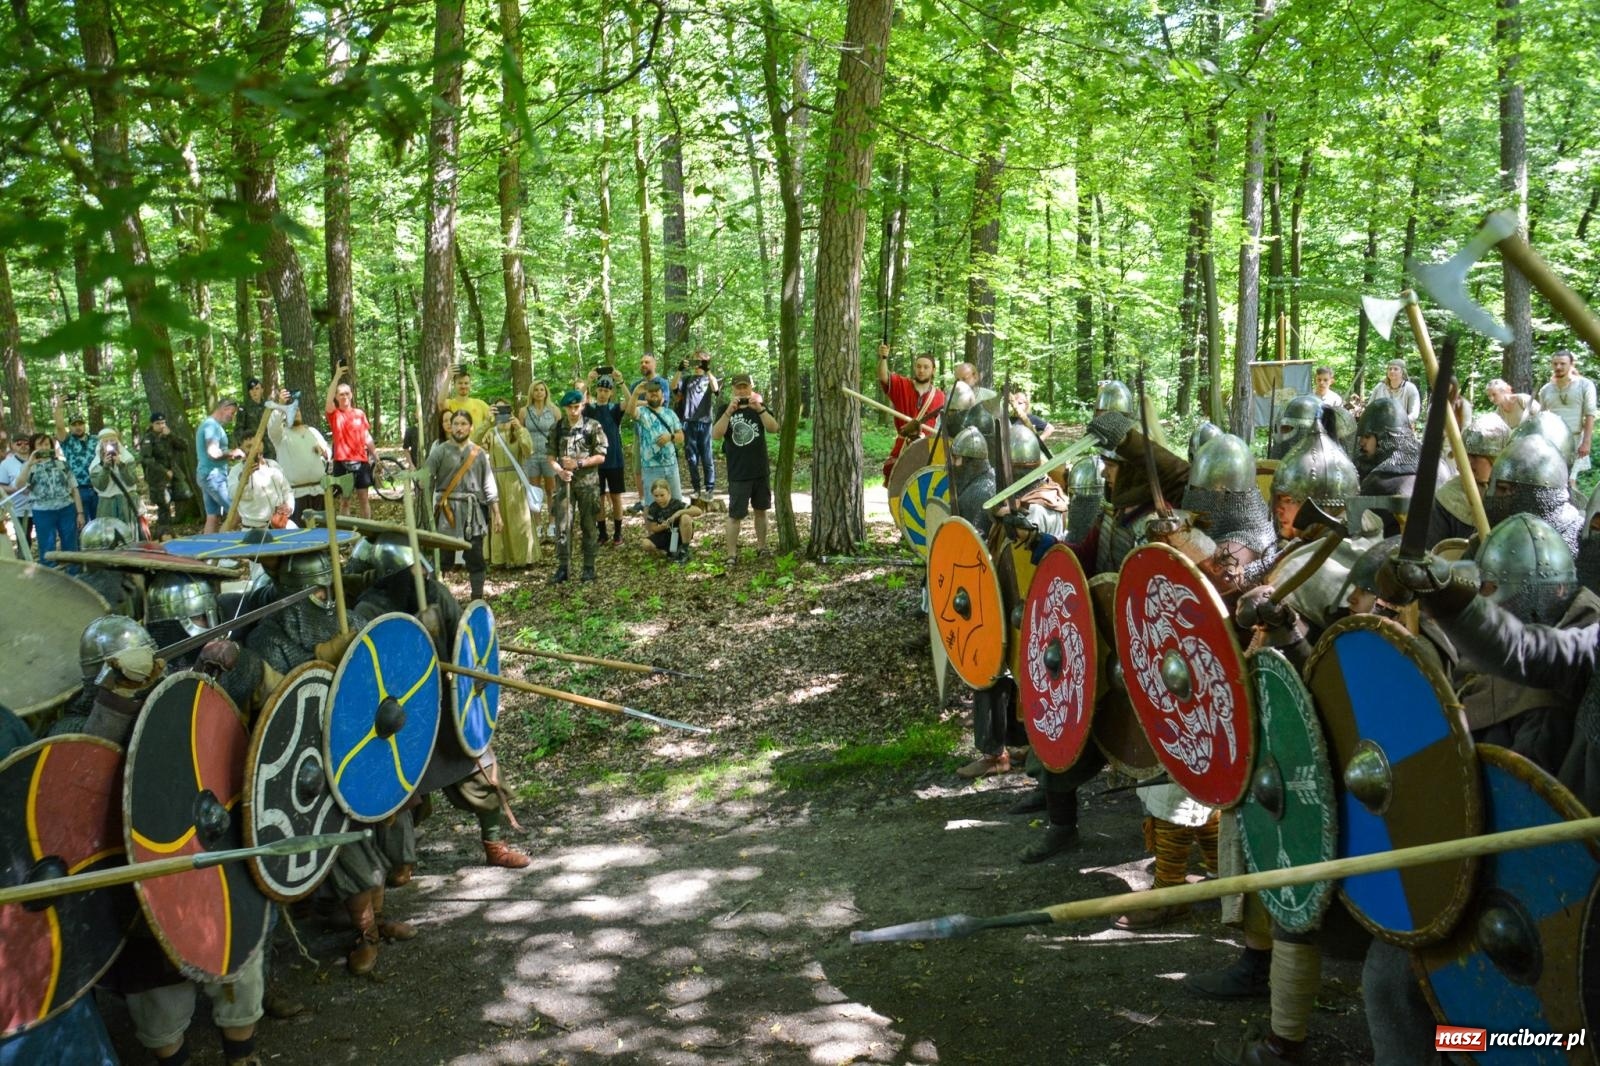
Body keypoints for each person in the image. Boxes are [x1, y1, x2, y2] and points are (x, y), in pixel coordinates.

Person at [426, 410, 502, 600]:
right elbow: (425, 476)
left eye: (463, 424)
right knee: (443, 558)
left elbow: (489, 485)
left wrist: (497, 514)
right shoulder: (440, 451)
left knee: (475, 557)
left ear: (471, 427)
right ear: (450, 426)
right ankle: (438, 599)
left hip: (473, 513)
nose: (459, 428)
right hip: (447, 512)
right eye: (456, 424)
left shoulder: (479, 453)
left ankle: (477, 599)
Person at [713, 373, 778, 563]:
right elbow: (716, 435)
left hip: (759, 470)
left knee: (761, 510)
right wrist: (728, 413)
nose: (742, 390)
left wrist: (760, 410)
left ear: (751, 387)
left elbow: (774, 428)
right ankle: (731, 555)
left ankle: (762, 547)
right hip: (738, 472)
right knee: (735, 515)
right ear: (733, 389)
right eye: (738, 387)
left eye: (745, 387)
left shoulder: (759, 407)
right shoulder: (725, 409)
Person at [547, 388, 608, 584]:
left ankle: (589, 567)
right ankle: (563, 567)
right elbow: (550, 457)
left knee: (589, 525)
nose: (574, 411)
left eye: (577, 407)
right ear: (565, 408)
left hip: (588, 484)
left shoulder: (593, 426)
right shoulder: (557, 428)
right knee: (563, 525)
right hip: (565, 484)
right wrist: (560, 470)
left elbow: (601, 456)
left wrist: (579, 463)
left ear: (582, 406)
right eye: (570, 408)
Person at [476, 399, 538, 568]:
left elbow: (528, 451)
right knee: (499, 518)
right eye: (498, 410)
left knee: (519, 519)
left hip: (515, 479)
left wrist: (519, 429)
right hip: (495, 479)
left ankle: (525, 557)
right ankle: (501, 558)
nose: (502, 414)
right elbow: (474, 442)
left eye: (505, 410)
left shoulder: (518, 430)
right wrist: (487, 421)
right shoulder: (491, 432)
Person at [13, 433, 84, 566]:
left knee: (70, 542)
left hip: (66, 509)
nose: (44, 448)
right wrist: (29, 464)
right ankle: (50, 575)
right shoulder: (28, 467)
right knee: (46, 544)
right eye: (40, 445)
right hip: (42, 511)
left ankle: (73, 572)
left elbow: (74, 489)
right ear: (33, 447)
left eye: (47, 444)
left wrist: (80, 513)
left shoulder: (62, 464)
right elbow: (19, 486)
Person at [876, 342, 944, 480]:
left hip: (925, 450)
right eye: (919, 366)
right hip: (903, 448)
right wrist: (883, 358)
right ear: (915, 368)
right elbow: (883, 376)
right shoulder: (902, 385)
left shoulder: (940, 397)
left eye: (926, 367)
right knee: (898, 493)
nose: (921, 370)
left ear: (933, 370)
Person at [1535, 348, 1597, 486]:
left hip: (1575, 439)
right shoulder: (1546, 390)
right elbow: (1542, 417)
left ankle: (1574, 507)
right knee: (1551, 480)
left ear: (1571, 364)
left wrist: (1586, 442)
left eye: (1562, 363)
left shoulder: (1585, 385)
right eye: (1555, 364)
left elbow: (1590, 414)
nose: (1558, 367)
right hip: (1551, 441)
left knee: (1569, 480)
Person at [268, 388, 331, 522]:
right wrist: (280, 405)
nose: (295, 412)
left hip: (319, 492)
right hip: (296, 495)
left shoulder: (312, 431)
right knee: (300, 535)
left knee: (322, 533)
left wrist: (325, 451)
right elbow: (273, 426)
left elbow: (328, 452)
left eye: (297, 410)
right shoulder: (281, 435)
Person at [623, 354, 672, 513]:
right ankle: (643, 500)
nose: (643, 364)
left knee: (662, 466)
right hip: (640, 434)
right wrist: (642, 401)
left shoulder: (662, 382)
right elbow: (629, 405)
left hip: (659, 433)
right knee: (638, 469)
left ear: (654, 364)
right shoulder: (637, 384)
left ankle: (665, 499)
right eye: (641, 362)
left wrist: (638, 402)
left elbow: (662, 403)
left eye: (647, 362)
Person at [324, 364, 374, 518]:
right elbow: (328, 399)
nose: (344, 397)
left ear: (351, 395)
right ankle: (344, 536)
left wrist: (375, 453)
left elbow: (366, 435)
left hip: (361, 461)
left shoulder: (359, 413)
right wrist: (337, 375)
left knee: (364, 499)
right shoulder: (334, 414)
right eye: (341, 394)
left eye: (347, 394)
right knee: (345, 501)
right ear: (337, 397)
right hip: (342, 462)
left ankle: (369, 533)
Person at [584, 376, 628, 546]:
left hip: (614, 460)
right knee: (599, 498)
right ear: (596, 390)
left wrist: (621, 382)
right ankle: (602, 533)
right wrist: (589, 380)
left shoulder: (614, 409)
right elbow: (576, 401)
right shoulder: (590, 410)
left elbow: (630, 401)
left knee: (616, 497)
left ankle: (618, 532)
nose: (602, 394)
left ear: (611, 392)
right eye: (600, 390)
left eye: (606, 390)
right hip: (595, 461)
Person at [631, 378, 685, 506]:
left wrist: (670, 437)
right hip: (650, 468)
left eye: (657, 391)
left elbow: (681, 437)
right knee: (651, 505)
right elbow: (630, 412)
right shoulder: (642, 412)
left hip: (671, 466)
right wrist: (636, 393)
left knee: (676, 502)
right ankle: (653, 527)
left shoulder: (670, 413)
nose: (654, 393)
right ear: (646, 395)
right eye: (651, 392)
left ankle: (675, 526)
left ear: (662, 395)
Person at [675, 351, 720, 500]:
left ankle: (709, 489)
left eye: (702, 361)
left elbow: (716, 389)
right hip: (689, 422)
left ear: (708, 362)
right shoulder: (687, 379)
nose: (698, 363)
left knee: (707, 458)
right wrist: (679, 370)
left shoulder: (710, 379)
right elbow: (673, 386)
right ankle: (696, 488)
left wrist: (708, 370)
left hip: (705, 422)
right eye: (696, 360)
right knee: (692, 459)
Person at [196, 397, 244, 533]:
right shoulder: (211, 426)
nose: (232, 417)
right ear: (225, 408)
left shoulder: (211, 425)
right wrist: (233, 453)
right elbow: (213, 453)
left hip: (207, 475)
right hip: (213, 477)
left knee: (213, 517)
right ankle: (221, 544)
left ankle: (207, 551)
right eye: (232, 413)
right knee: (236, 512)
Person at [519, 380, 559, 541]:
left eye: (542, 389)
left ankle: (552, 524)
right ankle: (537, 525)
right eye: (536, 389)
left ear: (546, 392)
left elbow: (559, 433)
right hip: (531, 456)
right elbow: (519, 433)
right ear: (531, 392)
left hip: (549, 455)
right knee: (534, 492)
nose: (539, 392)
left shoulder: (554, 410)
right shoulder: (524, 411)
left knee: (551, 490)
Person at [52, 397, 98, 521]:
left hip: (97, 488)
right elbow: (60, 426)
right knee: (82, 526)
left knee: (99, 524)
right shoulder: (67, 441)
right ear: (70, 427)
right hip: (78, 490)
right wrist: (59, 407)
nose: (78, 427)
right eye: (74, 425)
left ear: (84, 425)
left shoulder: (95, 440)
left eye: (80, 424)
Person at [89, 427, 141, 527]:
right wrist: (105, 467)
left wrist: (121, 465)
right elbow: (101, 486)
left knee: (129, 534)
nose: (109, 444)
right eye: (105, 441)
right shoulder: (95, 465)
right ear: (101, 444)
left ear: (117, 442)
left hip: (127, 501)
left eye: (112, 441)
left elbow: (131, 481)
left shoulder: (128, 458)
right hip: (107, 505)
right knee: (109, 536)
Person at [139, 413, 183, 531]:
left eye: (163, 423)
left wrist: (171, 436)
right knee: (163, 505)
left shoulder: (167, 436)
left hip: (172, 476)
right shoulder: (148, 438)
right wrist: (164, 471)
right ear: (152, 424)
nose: (161, 426)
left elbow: (184, 446)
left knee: (172, 503)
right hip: (157, 478)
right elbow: (146, 459)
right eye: (158, 423)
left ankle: (168, 531)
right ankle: (164, 533)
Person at [642, 477, 701, 562]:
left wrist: (679, 512)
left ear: (668, 493)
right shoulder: (653, 507)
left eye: (662, 495)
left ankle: (684, 549)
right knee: (645, 544)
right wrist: (662, 527)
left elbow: (698, 511)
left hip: (679, 533)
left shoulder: (676, 503)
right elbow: (653, 528)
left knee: (685, 517)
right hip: (663, 536)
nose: (659, 498)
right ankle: (667, 553)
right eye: (656, 496)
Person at [0, 434, 32, 555]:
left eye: (26, 443)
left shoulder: (37, 459)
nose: (23, 446)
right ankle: (25, 565)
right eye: (19, 443)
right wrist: (16, 489)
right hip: (20, 509)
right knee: (24, 540)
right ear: (13, 445)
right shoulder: (6, 464)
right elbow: (1, 486)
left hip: (40, 506)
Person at [1366, 359, 1421, 423]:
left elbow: (1414, 414)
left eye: (1395, 369)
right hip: (1379, 425)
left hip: (1402, 427)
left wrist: (1398, 422)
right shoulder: (1379, 387)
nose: (1392, 371)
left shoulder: (1410, 388)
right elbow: (1369, 408)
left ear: (1402, 372)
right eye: (1390, 369)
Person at [233, 376, 275, 460]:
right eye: (252, 390)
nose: (254, 392)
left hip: (270, 447)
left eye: (257, 388)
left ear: (262, 390)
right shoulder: (244, 408)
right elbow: (239, 430)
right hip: (254, 448)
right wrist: (243, 448)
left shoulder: (268, 406)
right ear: (249, 392)